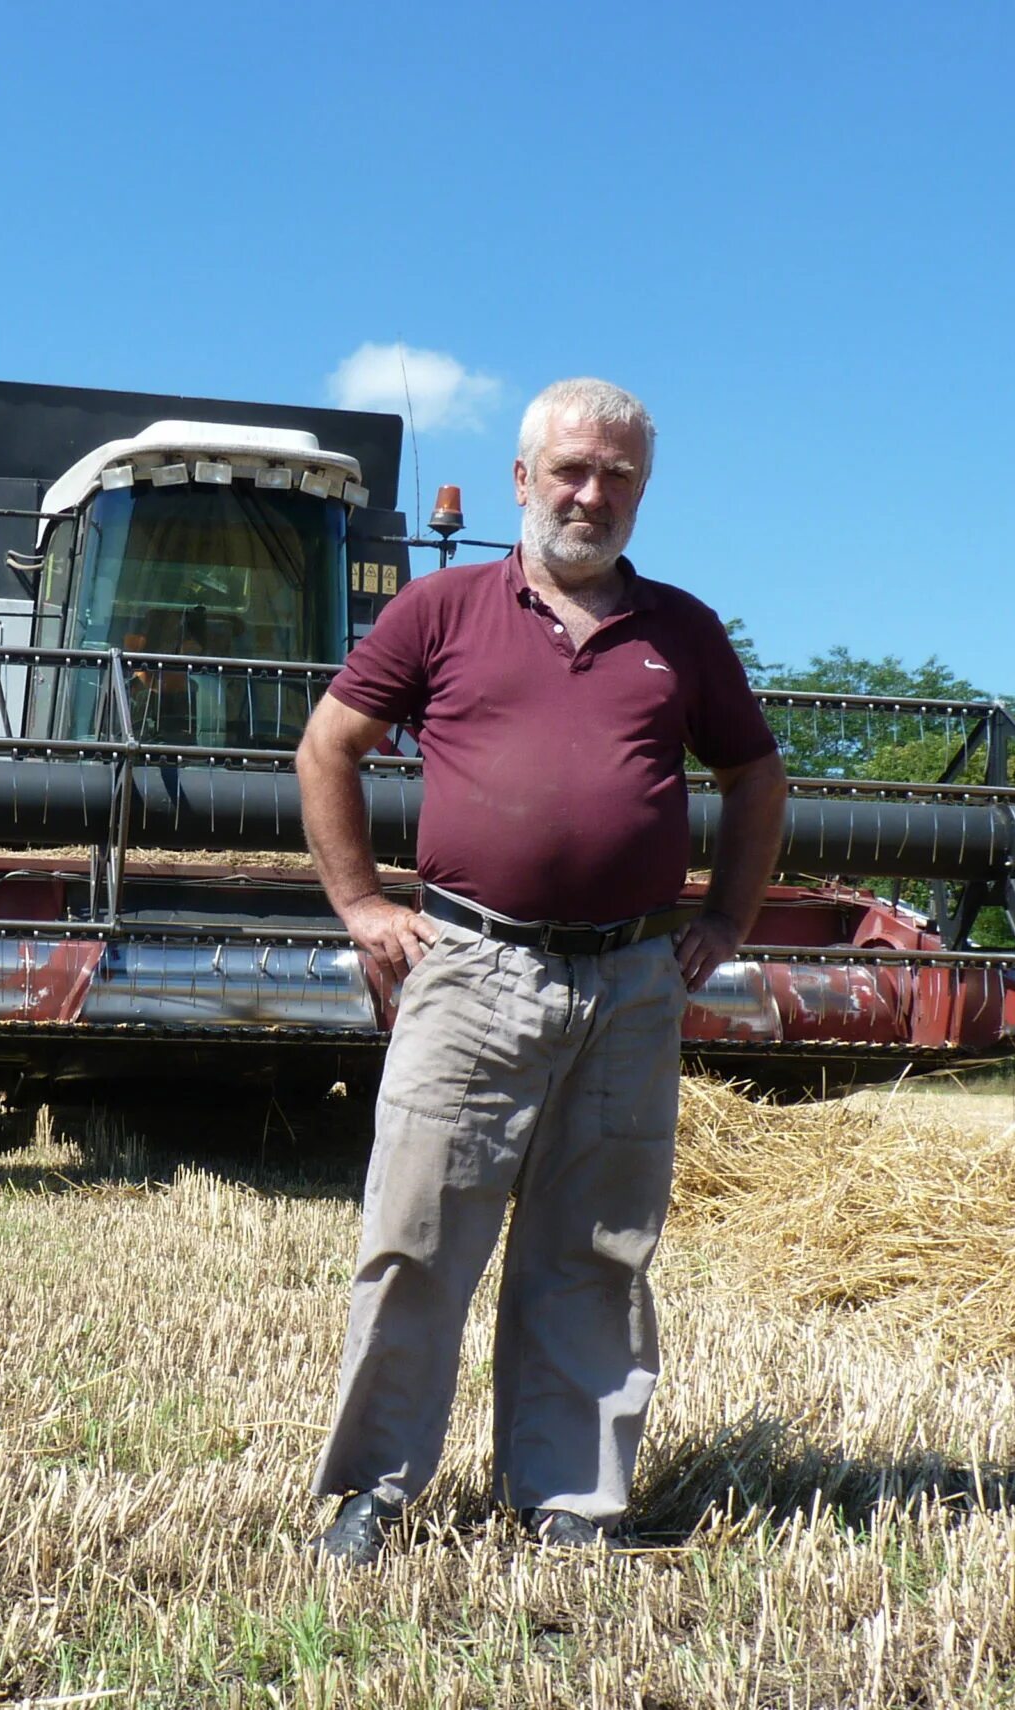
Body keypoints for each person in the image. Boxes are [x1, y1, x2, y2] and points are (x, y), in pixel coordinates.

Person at [295, 377, 788, 1564]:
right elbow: (329, 745)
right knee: (418, 1236)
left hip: (628, 984)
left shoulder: (682, 631)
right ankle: (375, 1489)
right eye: (570, 469)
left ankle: (569, 1499)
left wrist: (723, 922)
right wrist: (362, 905)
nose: (591, 493)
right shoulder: (440, 609)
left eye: (617, 476)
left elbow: (755, 779)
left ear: (641, 493)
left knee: (597, 1249)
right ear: (521, 479)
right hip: (469, 969)